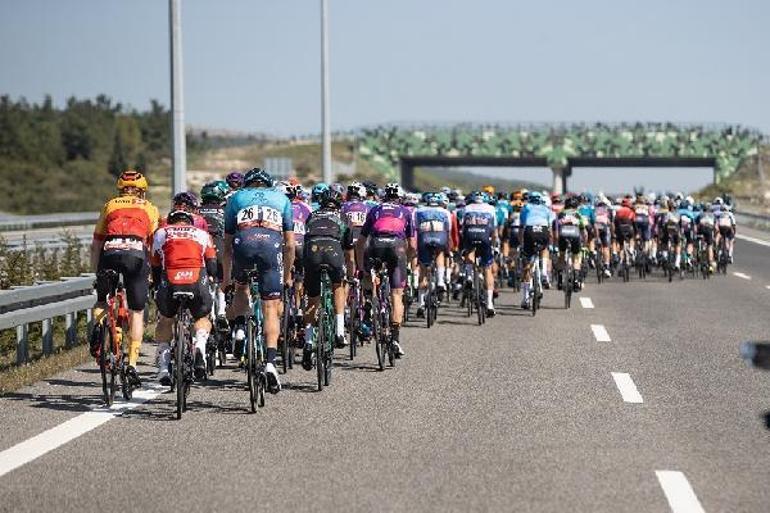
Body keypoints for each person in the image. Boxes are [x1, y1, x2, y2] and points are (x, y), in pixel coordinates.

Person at [222, 167, 295, 393]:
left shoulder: (236, 198)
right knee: (271, 308)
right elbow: (290, 244)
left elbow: (226, 244)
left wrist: (227, 278)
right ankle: (271, 363)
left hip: (244, 244)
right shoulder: (282, 199)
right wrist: (288, 273)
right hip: (271, 248)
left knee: (242, 287)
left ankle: (241, 329)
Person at [90, 170, 160, 388]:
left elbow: (96, 244)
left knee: (103, 300)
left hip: (110, 252)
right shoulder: (149, 208)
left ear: (120, 189)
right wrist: (152, 273)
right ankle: (132, 364)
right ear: (142, 191)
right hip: (136, 254)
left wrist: (96, 272)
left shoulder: (110, 205)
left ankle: (100, 330)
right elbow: (154, 245)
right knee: (137, 311)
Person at [151, 210, 218, 384]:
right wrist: (212, 277)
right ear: (189, 222)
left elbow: (155, 264)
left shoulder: (162, 232)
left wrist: (157, 285)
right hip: (196, 279)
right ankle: (200, 349)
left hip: (171, 279)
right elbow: (211, 263)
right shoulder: (202, 233)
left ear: (171, 222)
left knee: (166, 319)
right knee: (202, 317)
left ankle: (164, 367)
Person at [355, 182, 415, 357]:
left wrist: (361, 268)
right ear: (400, 198)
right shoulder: (406, 212)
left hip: (376, 246)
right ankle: (395, 339)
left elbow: (360, 242)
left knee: (369, 275)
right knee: (396, 295)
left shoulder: (375, 210)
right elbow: (412, 244)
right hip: (397, 249)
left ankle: (369, 304)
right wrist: (409, 262)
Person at [301, 188, 349, 370]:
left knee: (312, 298)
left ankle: (307, 341)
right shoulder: (342, 217)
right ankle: (339, 331)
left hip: (311, 252)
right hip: (333, 252)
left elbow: (306, 238)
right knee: (338, 286)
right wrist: (350, 274)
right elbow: (349, 250)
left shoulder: (312, 215)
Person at [414, 192, 452, 318]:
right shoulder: (445, 211)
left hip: (424, 239)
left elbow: (416, 228)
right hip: (440, 237)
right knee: (440, 253)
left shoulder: (419, 210)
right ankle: (441, 281)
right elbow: (448, 230)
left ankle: (420, 304)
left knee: (423, 272)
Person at [460, 191, 498, 316]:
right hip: (485, 237)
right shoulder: (491, 208)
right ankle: (490, 305)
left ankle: (469, 276)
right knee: (487, 269)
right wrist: (495, 246)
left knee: (469, 252)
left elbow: (463, 228)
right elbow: (494, 230)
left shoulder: (466, 208)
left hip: (470, 235)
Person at [199, 180, 230, 322]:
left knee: (206, 283)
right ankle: (222, 311)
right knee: (222, 280)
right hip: (220, 247)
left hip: (201, 249)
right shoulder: (225, 211)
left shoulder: (196, 212)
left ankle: (209, 313)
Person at [518, 191, 555, 309]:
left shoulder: (526, 207)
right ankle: (544, 272)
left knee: (527, 264)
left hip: (530, 230)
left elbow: (522, 227)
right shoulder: (546, 209)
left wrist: (521, 244)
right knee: (544, 249)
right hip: (543, 230)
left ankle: (525, 299)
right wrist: (552, 243)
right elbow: (550, 228)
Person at [554, 195, 588, 290]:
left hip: (563, 235)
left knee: (561, 257)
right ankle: (576, 280)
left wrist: (556, 243)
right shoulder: (578, 214)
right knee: (576, 258)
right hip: (575, 235)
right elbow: (584, 231)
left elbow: (556, 229)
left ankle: (560, 281)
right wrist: (585, 243)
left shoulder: (560, 214)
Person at [341, 182, 371, 282]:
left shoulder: (343, 206)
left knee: (349, 263)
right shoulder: (367, 206)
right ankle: (372, 294)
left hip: (348, 238)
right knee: (367, 269)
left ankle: (350, 280)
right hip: (363, 239)